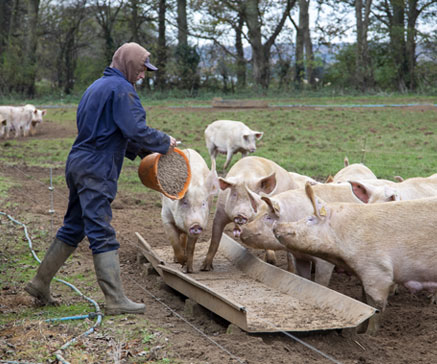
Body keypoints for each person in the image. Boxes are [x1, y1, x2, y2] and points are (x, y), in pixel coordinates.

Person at [25, 42, 177, 315]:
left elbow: (111, 130)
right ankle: (115, 299)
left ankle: (39, 283)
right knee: (100, 229)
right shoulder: (122, 90)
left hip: (78, 162)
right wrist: (165, 142)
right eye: (142, 68)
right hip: (98, 168)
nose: (143, 75)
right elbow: (135, 129)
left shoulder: (96, 87)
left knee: (74, 226)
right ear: (130, 64)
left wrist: (142, 150)